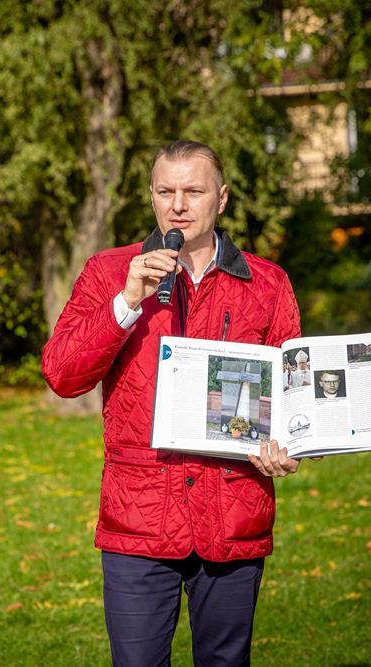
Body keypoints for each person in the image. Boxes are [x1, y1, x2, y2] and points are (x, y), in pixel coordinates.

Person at [42, 140, 306, 667]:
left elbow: (294, 400)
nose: (178, 204)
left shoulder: (267, 283)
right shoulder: (109, 271)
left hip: (233, 512)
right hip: (138, 518)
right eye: (166, 191)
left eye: (193, 190)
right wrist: (126, 302)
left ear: (222, 198)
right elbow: (63, 375)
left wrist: (291, 446)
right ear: (152, 197)